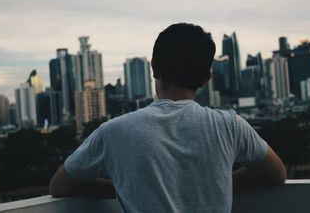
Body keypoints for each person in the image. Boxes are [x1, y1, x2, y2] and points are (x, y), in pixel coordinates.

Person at [49, 23, 286, 212]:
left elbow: (59, 186)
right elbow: (276, 174)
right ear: (207, 78)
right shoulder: (230, 126)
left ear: (154, 68)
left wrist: (127, 188)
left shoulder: (113, 132)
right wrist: (219, 182)